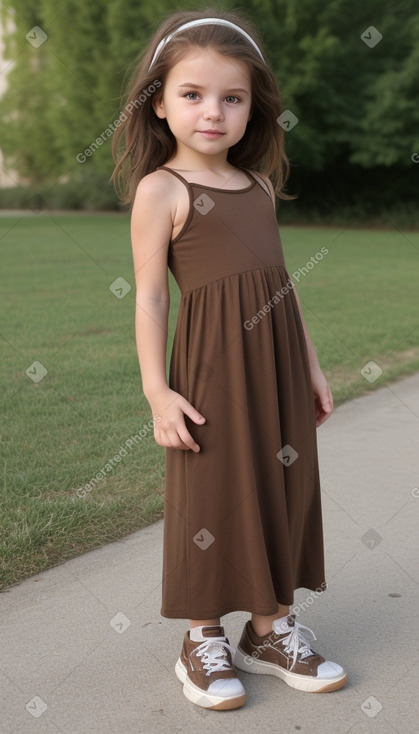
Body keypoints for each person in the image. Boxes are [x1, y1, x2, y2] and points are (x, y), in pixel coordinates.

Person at [112, 8, 348, 712]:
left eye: (232, 97)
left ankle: (269, 629)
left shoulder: (260, 190)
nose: (212, 111)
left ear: (253, 108)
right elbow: (150, 299)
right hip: (212, 374)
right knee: (212, 494)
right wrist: (157, 390)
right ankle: (202, 637)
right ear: (159, 101)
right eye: (192, 94)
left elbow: (283, 289)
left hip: (274, 369)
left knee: (281, 486)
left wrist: (308, 366)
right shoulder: (163, 190)